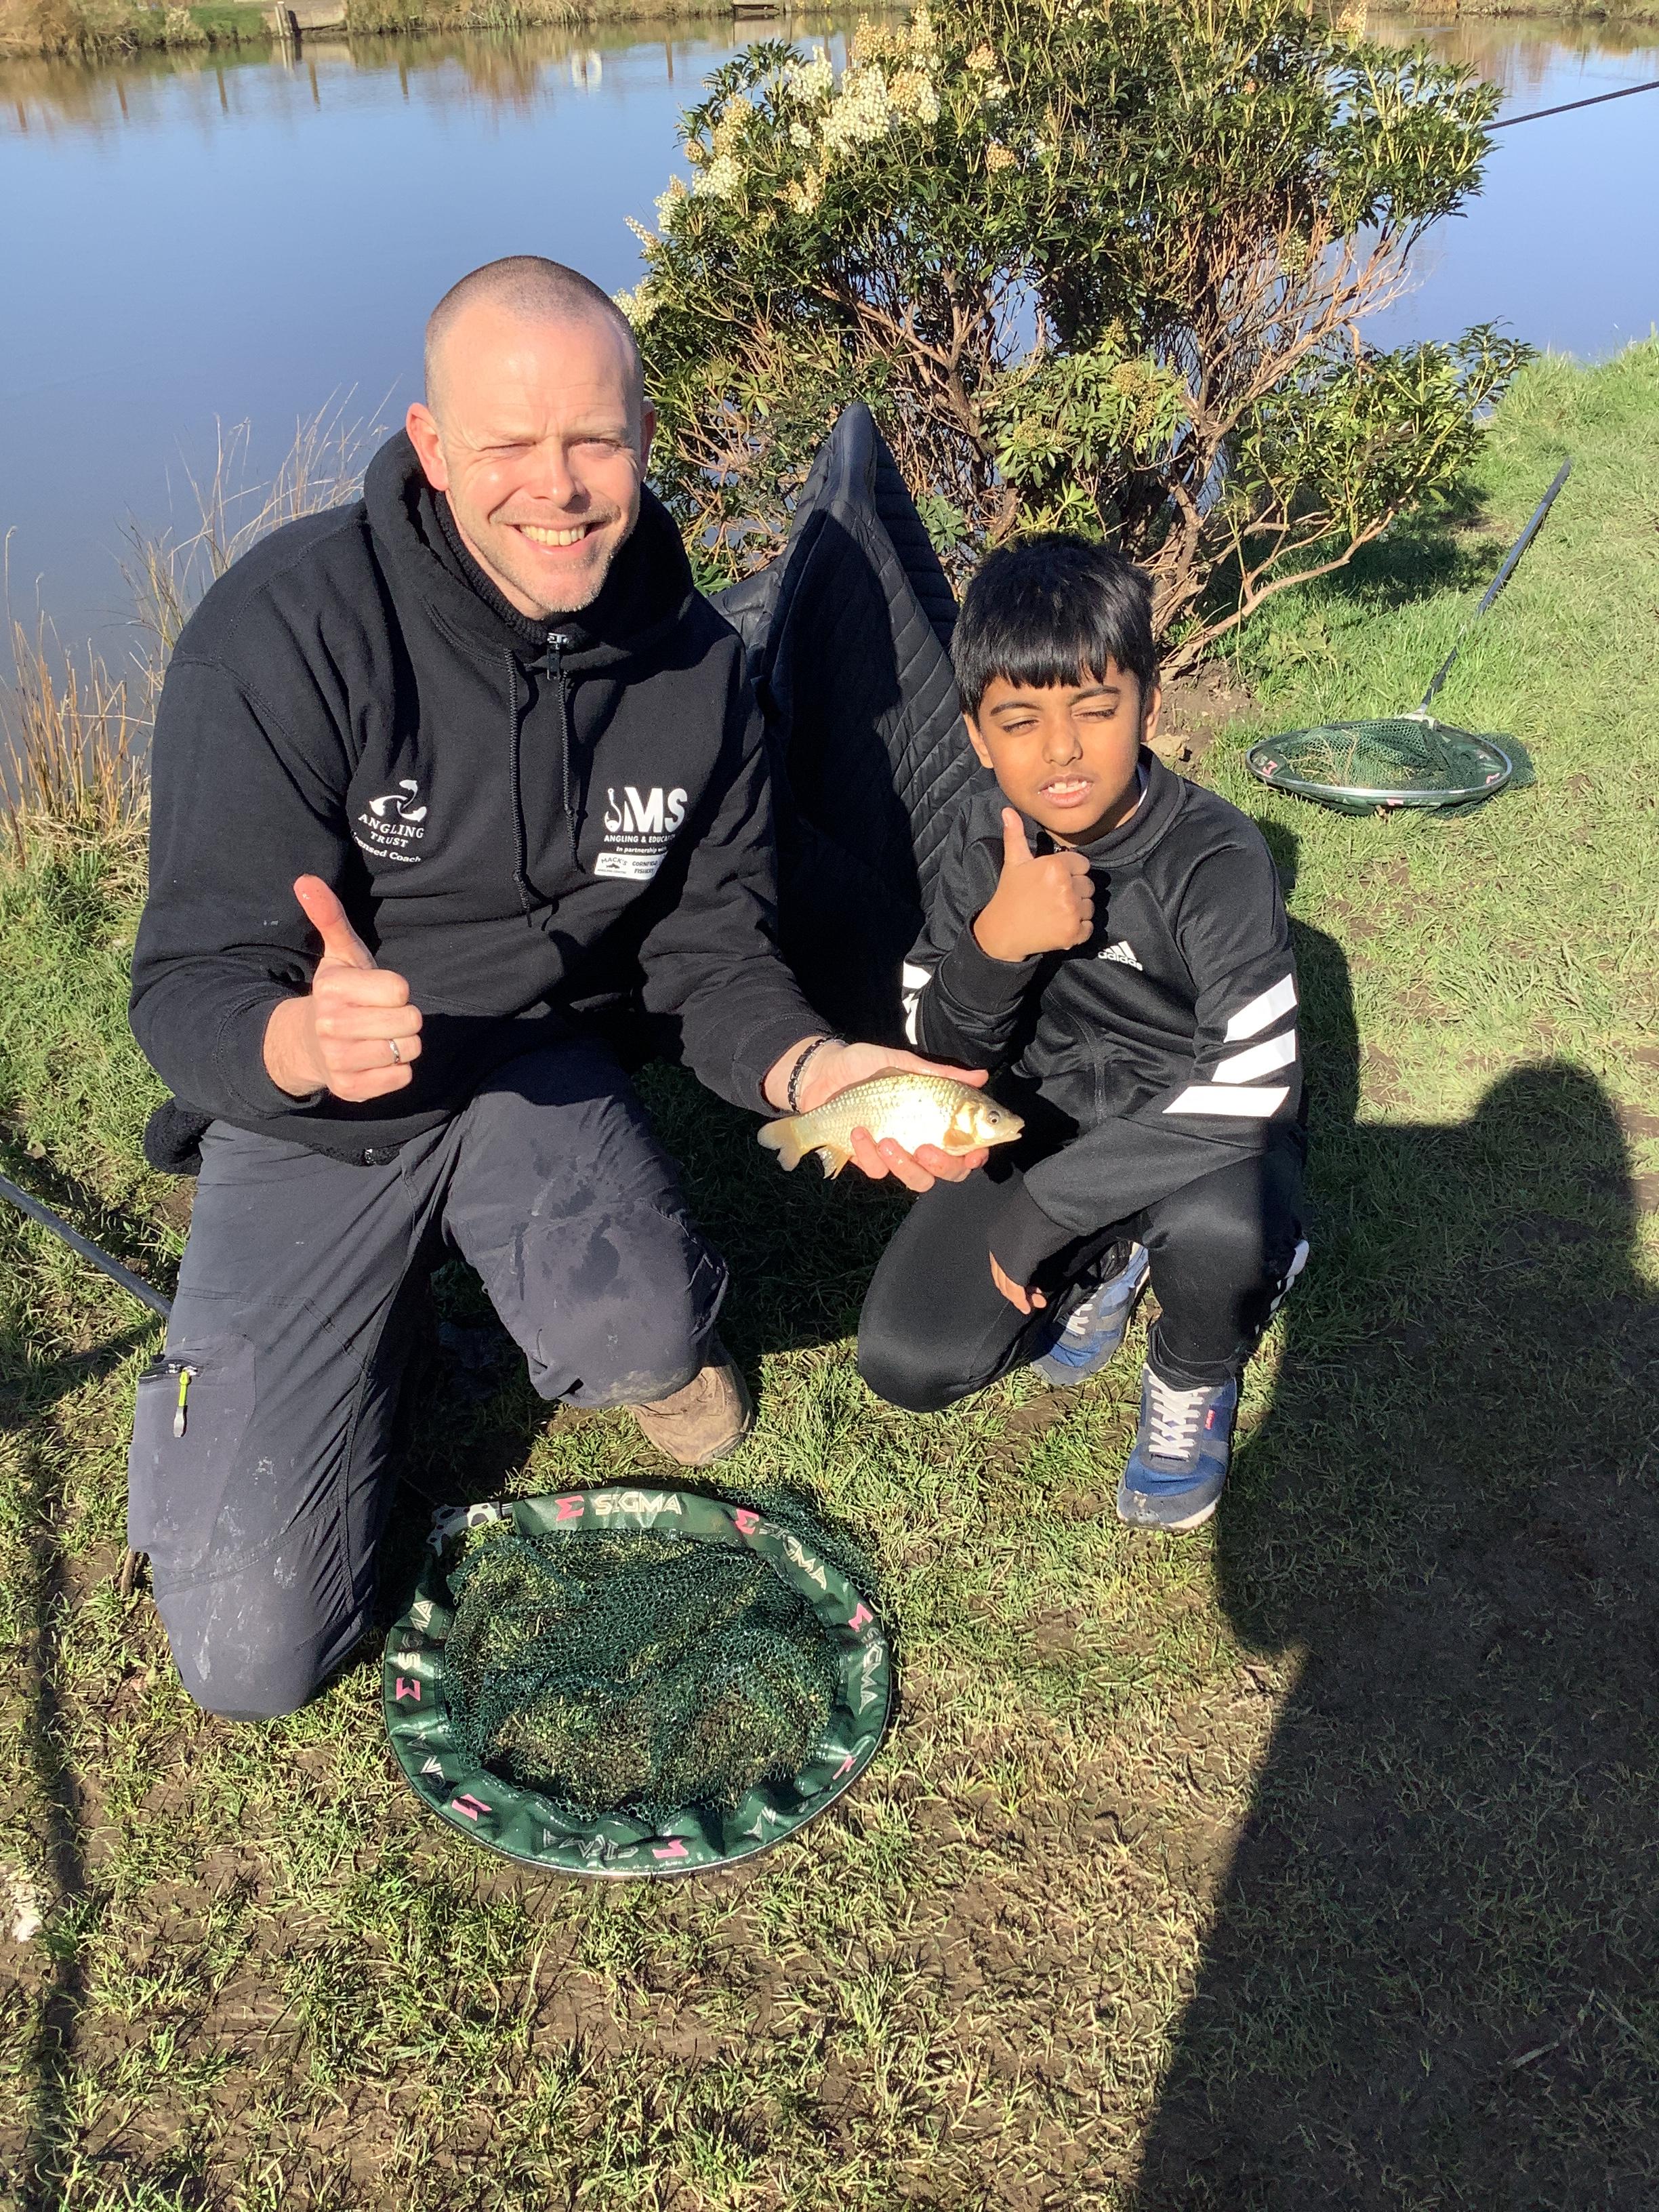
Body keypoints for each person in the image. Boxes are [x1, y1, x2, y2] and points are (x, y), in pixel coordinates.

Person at [126, 255, 985, 1722]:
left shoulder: (698, 665)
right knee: (253, 1661)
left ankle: (624, 1338)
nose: (559, 487)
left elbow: (714, 956)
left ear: (643, 438)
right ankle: (363, 1336)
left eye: (594, 440)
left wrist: (812, 1070)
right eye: (508, 445)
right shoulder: (282, 631)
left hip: (532, 1068)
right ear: (432, 443)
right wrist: (296, 1040)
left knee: (640, 1328)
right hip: (314, 1111)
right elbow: (183, 984)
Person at [857, 536, 1308, 1531]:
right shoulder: (980, 839)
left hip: (1193, 1126)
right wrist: (995, 945)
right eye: (1020, 722)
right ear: (978, 737)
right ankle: (1111, 1257)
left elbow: (1253, 1087)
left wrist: (1042, 1212)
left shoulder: (1218, 856)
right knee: (908, 1358)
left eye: (1095, 710)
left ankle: (1194, 1369)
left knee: (1226, 1228)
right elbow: (937, 1050)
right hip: (1042, 1116)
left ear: (1149, 706)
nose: (1060, 749)